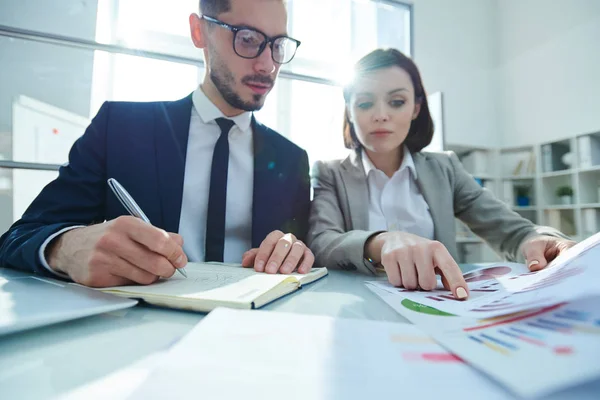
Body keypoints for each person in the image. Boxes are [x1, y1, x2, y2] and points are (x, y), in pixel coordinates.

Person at [0, 0, 314, 287]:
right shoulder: (120, 127)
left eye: (278, 46)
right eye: (248, 39)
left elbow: (300, 255)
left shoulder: (291, 159)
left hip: (253, 332)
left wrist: (295, 251)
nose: (268, 65)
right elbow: (19, 237)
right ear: (199, 30)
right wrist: (66, 248)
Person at [307, 48, 574, 300]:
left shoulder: (445, 168)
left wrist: (537, 240)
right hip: (361, 309)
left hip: (443, 305)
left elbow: (511, 230)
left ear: (415, 108)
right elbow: (321, 242)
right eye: (365, 104)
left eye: (397, 102)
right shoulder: (330, 172)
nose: (381, 115)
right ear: (350, 112)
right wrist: (379, 243)